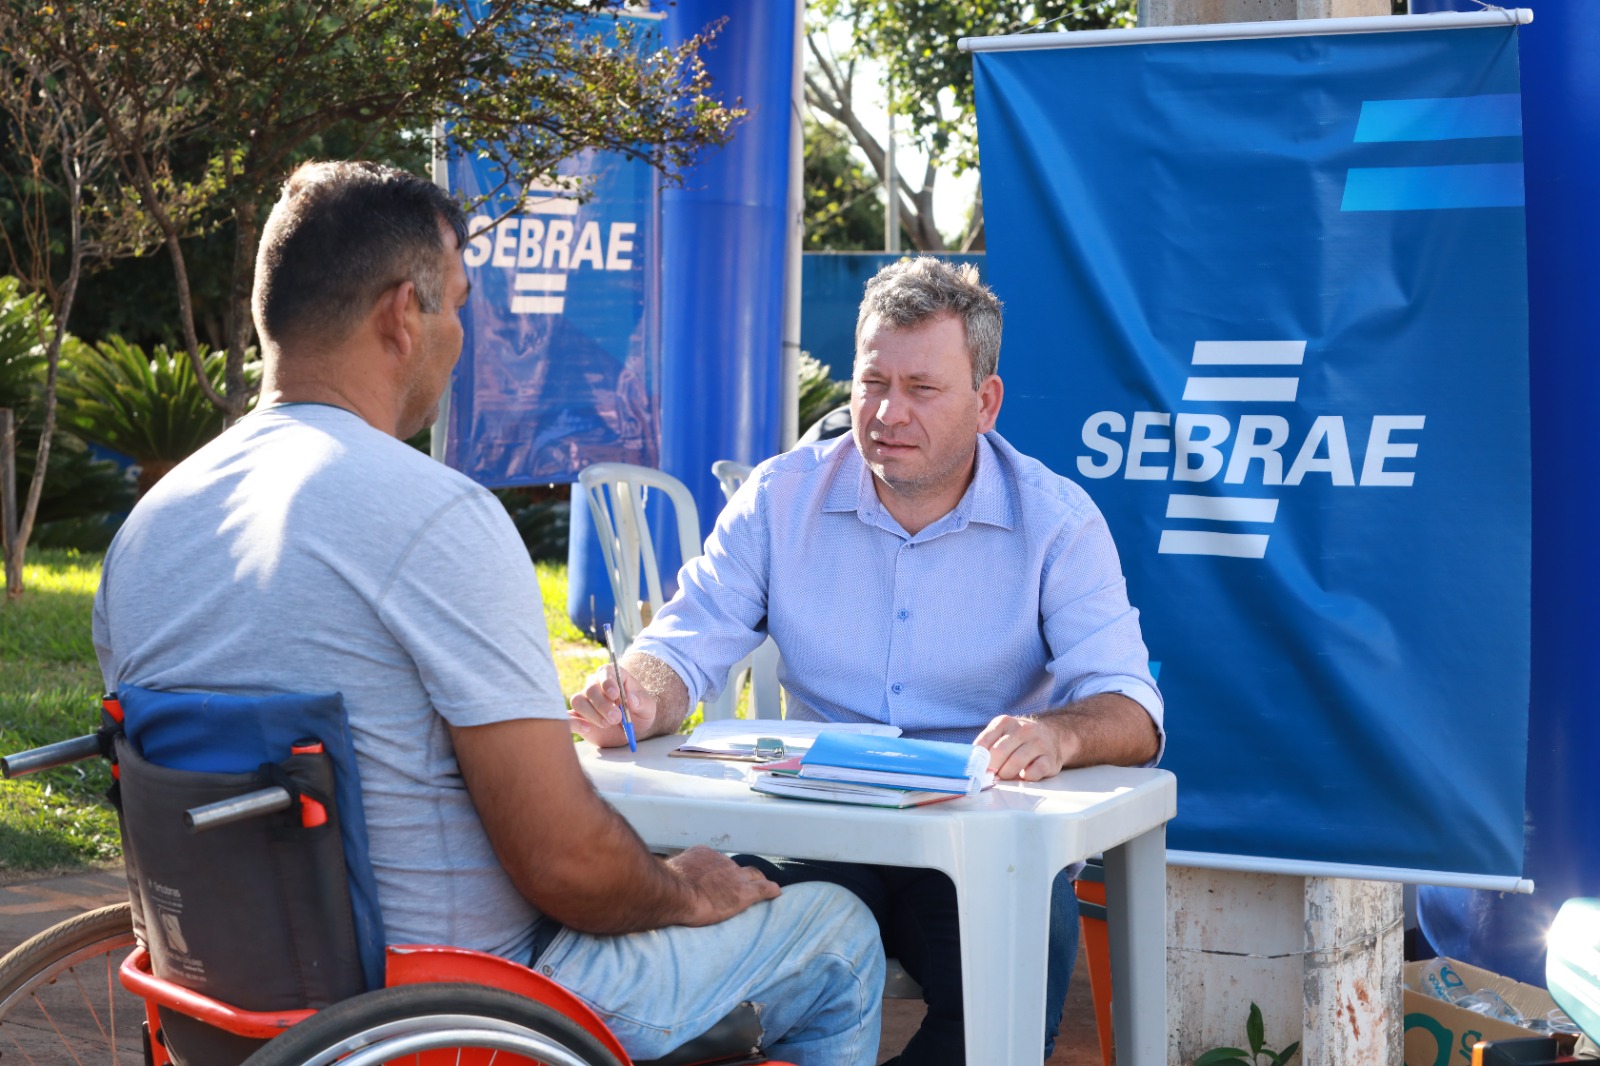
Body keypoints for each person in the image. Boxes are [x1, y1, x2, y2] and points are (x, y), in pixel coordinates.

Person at [93, 160, 884, 1066]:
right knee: (838, 934)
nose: (462, 334)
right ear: (402, 314)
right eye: (459, 303)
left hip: (235, 1002)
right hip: (461, 1008)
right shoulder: (434, 517)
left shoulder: (145, 534)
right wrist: (683, 890)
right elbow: (566, 866)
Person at [569, 256, 1164, 1065]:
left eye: (923, 388)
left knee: (1008, 1002)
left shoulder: (1056, 521)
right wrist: (636, 695)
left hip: (974, 835)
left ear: (985, 403)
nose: (888, 412)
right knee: (684, 961)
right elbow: (685, 641)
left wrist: (1058, 735)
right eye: (872, 381)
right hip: (813, 824)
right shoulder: (781, 496)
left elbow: (1131, 705)